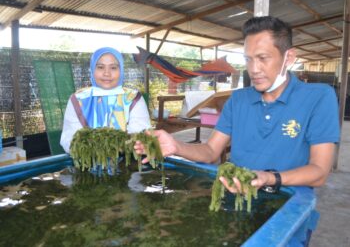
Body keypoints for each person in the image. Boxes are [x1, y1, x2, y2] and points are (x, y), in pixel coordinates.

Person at [134, 16, 340, 244]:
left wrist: (268, 178)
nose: (254, 69)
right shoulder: (238, 99)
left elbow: (319, 171)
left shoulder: (319, 97)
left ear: (288, 57)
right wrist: (177, 147)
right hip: (236, 202)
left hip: (287, 206)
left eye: (263, 58)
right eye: (248, 59)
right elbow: (211, 151)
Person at [60, 47, 151, 153]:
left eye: (113, 68)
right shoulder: (78, 99)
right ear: (93, 69)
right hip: (87, 163)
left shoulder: (133, 98)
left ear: (121, 70)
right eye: (100, 67)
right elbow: (69, 139)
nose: (106, 73)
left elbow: (140, 136)